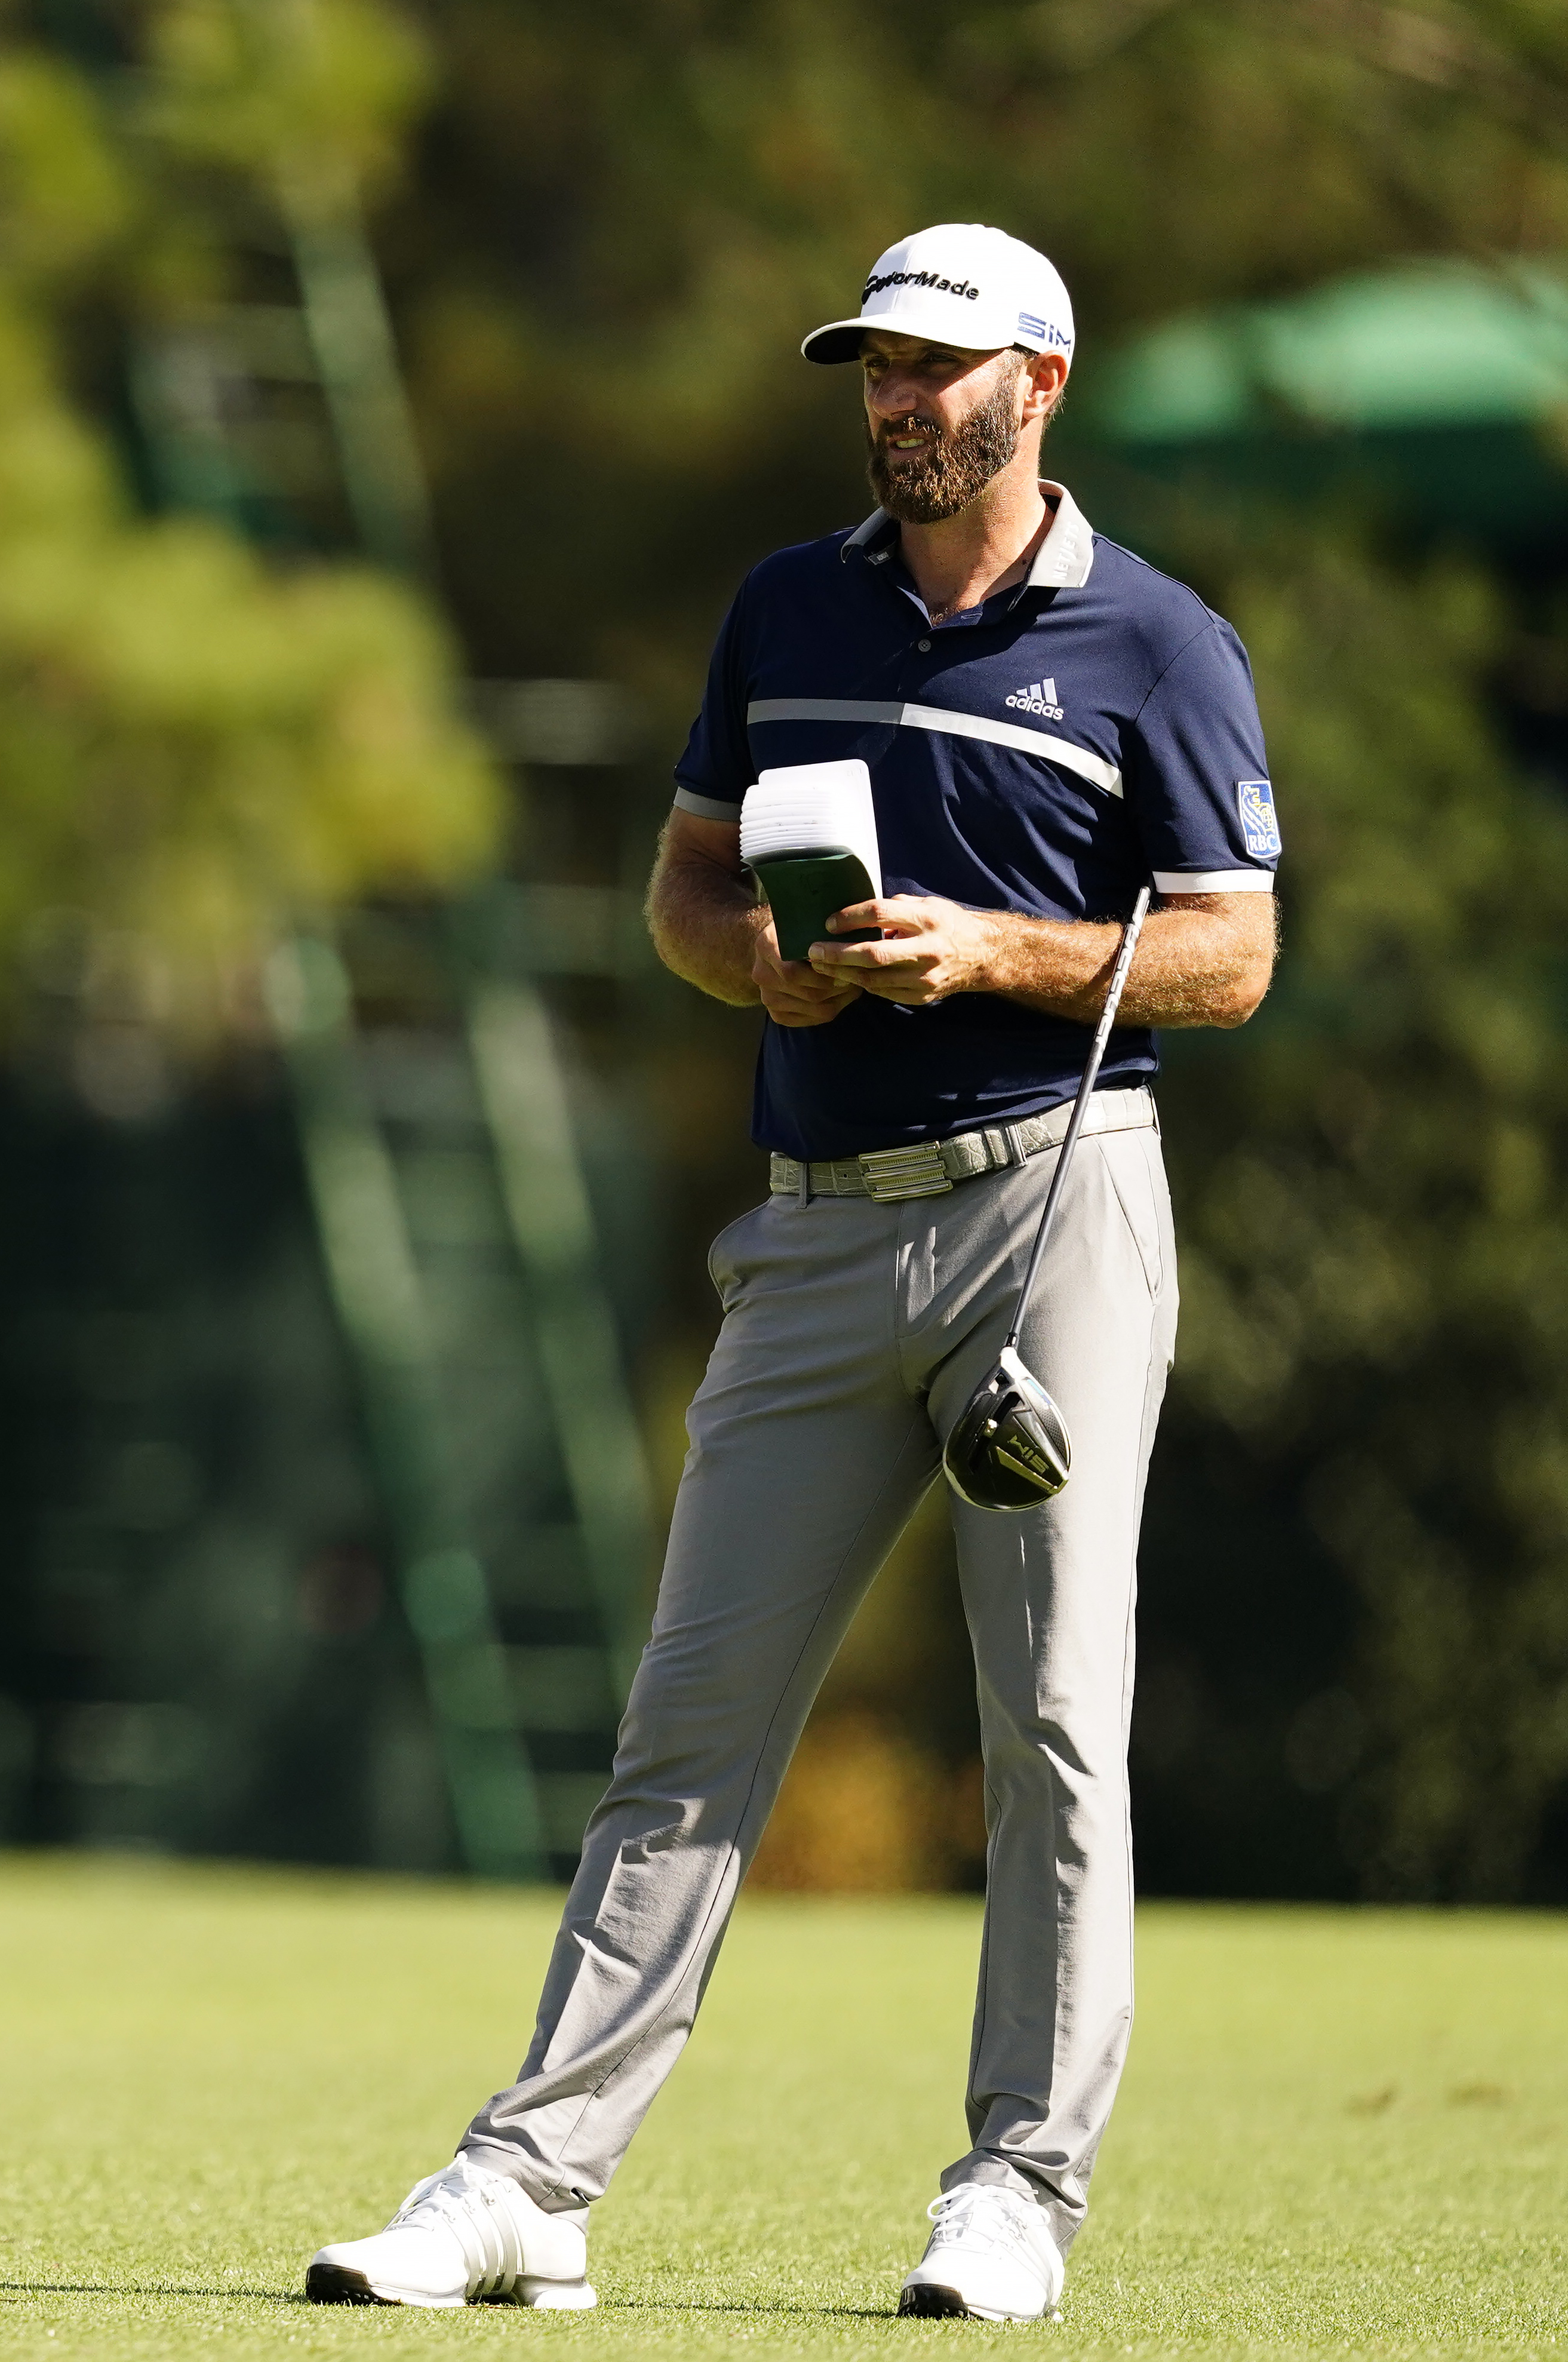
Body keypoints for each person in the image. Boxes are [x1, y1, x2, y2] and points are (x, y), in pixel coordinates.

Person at [301, 223, 1283, 2323]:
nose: (896, 404)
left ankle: (1016, 2188)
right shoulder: (781, 605)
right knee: (688, 1728)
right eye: (874, 370)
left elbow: (1231, 949)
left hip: (1055, 1216)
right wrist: (747, 959)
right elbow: (677, 875)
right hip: (819, 1226)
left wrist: (991, 952)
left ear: (1039, 379)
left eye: (935, 371)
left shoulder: (1158, 643)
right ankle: (526, 2186)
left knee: (1050, 1728)